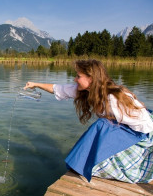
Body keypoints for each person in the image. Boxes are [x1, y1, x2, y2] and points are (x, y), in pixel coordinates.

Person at [24, 59, 153, 183]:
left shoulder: (114, 98)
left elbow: (146, 124)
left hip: (141, 134)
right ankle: (83, 163)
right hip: (124, 130)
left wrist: (124, 140)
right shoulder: (87, 91)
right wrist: (36, 84)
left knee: (101, 126)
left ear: (91, 78)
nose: (75, 79)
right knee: (103, 126)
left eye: (78, 76)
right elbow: (59, 89)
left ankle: (85, 163)